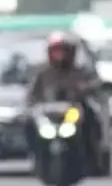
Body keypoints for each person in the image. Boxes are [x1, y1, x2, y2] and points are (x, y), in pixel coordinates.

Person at [27, 32, 103, 167]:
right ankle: (35, 154)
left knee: (92, 118)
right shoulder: (43, 73)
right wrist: (31, 104)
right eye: (57, 51)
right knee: (29, 124)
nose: (60, 55)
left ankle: (92, 153)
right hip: (49, 112)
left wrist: (85, 88)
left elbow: (95, 84)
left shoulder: (80, 72)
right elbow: (32, 93)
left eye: (64, 51)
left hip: (73, 110)